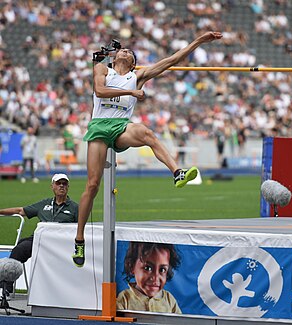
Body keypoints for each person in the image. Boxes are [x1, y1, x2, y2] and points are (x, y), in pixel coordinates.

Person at [72, 31, 223, 267]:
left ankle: (177, 173)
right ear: (114, 57)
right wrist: (131, 92)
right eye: (123, 50)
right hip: (100, 127)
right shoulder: (103, 69)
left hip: (121, 127)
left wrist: (199, 41)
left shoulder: (137, 76)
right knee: (92, 185)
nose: (125, 51)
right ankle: (79, 238)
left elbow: (172, 60)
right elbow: (100, 92)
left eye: (130, 52)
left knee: (147, 133)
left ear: (133, 63)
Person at [0, 173, 78, 295]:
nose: (61, 186)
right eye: (58, 183)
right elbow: (21, 211)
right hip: (39, 240)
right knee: (19, 249)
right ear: (52, 186)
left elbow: (81, 229)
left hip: (61, 244)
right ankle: (6, 287)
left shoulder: (75, 208)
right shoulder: (44, 204)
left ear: (68, 187)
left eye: (64, 183)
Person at [117, 242, 181, 313]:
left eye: (162, 270)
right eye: (147, 268)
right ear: (132, 266)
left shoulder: (170, 300)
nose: (155, 277)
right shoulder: (124, 300)